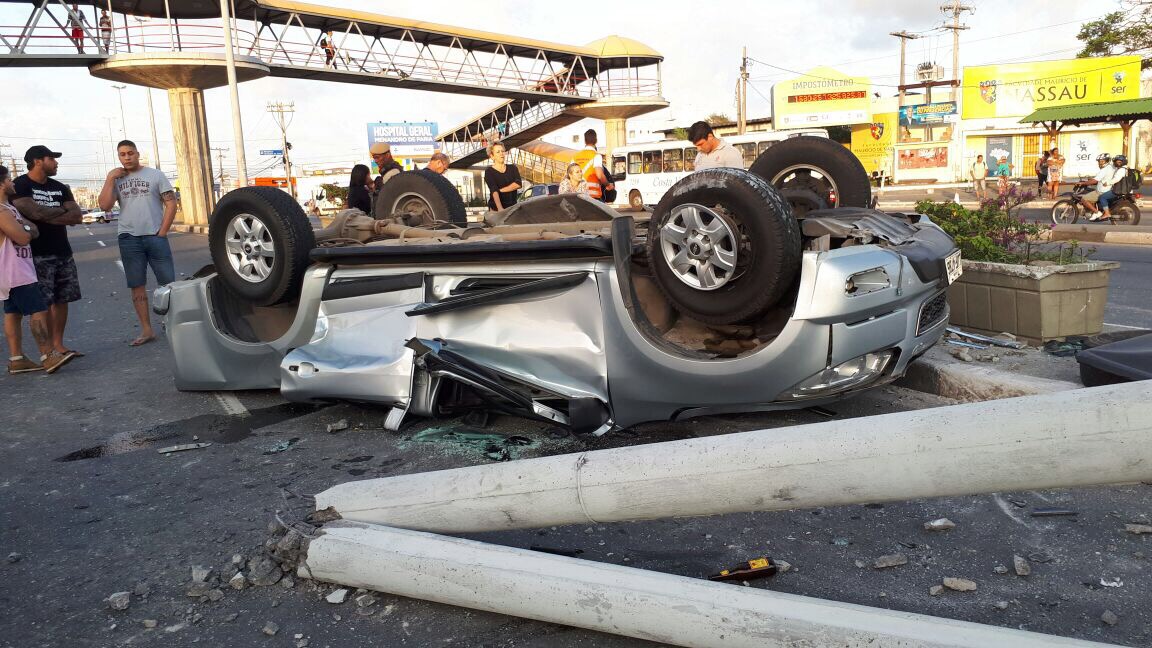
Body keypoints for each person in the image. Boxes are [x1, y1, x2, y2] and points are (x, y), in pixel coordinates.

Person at [97, 140, 177, 346]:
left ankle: (173, 325)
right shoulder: (116, 179)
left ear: (138, 154)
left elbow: (170, 202)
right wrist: (109, 178)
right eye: (122, 154)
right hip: (129, 238)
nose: (127, 157)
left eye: (130, 153)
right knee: (137, 286)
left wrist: (163, 231)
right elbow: (105, 205)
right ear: (119, 157)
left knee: (168, 283)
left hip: (155, 236)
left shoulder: (155, 175)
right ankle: (147, 330)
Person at [11, 145, 83, 361]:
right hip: (35, 254)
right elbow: (31, 211)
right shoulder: (19, 185)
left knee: (63, 299)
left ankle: (59, 345)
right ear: (38, 161)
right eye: (52, 158)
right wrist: (59, 212)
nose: (56, 162)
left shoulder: (61, 187)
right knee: (42, 303)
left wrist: (43, 216)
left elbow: (76, 216)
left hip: (62, 251)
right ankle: (47, 351)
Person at [0, 165, 73, 375]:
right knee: (38, 310)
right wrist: (25, 228)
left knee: (13, 313)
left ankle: (17, 359)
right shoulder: (2, 211)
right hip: (15, 270)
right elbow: (24, 237)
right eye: (9, 179)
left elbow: (32, 229)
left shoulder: (8, 208)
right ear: (2, 184)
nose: (13, 183)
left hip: (13, 270)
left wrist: (24, 228)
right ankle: (47, 355)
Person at [1080, 153, 1124, 222]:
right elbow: (1101, 179)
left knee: (1084, 199)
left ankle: (1097, 212)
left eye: (1102, 161)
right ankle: (1095, 211)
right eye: (1099, 161)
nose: (1100, 163)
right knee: (1091, 193)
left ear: (1106, 161)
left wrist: (1083, 183)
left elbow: (1095, 181)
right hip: (1108, 189)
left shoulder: (1104, 170)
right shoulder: (1112, 167)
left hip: (1101, 191)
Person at [571, 129, 612, 201]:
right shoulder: (596, 156)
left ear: (584, 141)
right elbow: (599, 175)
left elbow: (569, 175)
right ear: (596, 140)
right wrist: (608, 185)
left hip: (577, 196)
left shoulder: (575, 156)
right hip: (592, 197)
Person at [483, 142, 521, 211]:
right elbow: (494, 190)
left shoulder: (513, 168)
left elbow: (518, 184)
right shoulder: (489, 172)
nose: (501, 153)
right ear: (492, 156)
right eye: (498, 152)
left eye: (502, 151)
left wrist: (500, 190)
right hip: (496, 209)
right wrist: (500, 208)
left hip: (512, 208)